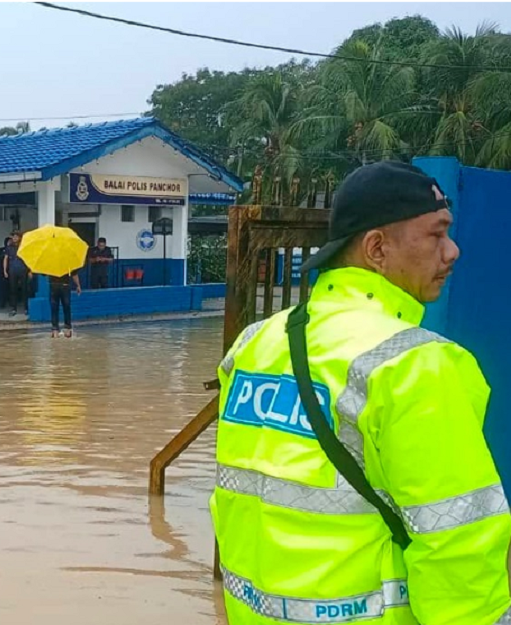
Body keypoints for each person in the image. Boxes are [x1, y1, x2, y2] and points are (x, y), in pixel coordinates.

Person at [211, 161, 511, 625]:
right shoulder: (415, 363)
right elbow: (459, 543)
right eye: (436, 234)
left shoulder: (255, 344)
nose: (452, 251)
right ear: (376, 248)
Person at [3, 232, 30, 317]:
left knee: (24, 290)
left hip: (23, 270)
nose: (14, 238)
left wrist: (30, 271)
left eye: (16, 236)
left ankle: (26, 308)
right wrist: (5, 270)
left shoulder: (24, 247)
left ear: (20, 238)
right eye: (13, 236)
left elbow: (28, 259)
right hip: (12, 271)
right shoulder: (9, 248)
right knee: (13, 290)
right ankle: (13, 309)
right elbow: (5, 259)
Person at [48, 269, 81, 338]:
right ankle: (68, 329)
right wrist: (78, 285)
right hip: (65, 285)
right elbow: (74, 274)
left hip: (53, 285)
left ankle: (55, 330)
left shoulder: (50, 261)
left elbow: (44, 273)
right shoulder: (67, 261)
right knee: (66, 307)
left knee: (54, 308)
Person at [0, 237, 12, 308]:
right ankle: (2, 303)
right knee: (2, 288)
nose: (10, 243)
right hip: (1, 272)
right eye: (9, 242)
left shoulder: (12, 250)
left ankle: (11, 302)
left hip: (11, 271)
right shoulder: (1, 250)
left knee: (11, 288)